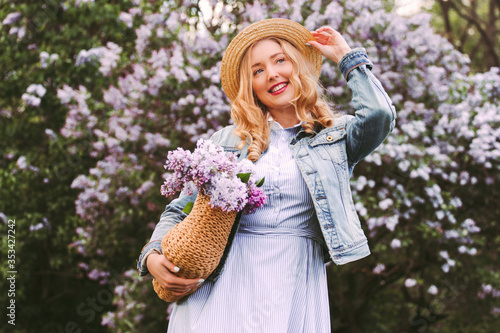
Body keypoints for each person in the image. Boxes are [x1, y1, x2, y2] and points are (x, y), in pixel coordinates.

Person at [137, 18, 396, 332]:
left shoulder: (335, 138)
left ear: (296, 65)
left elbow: (380, 115)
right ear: (251, 86)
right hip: (226, 284)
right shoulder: (228, 141)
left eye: (280, 61)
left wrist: (347, 58)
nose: (271, 74)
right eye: (257, 70)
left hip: (294, 280)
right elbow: (181, 209)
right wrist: (151, 256)